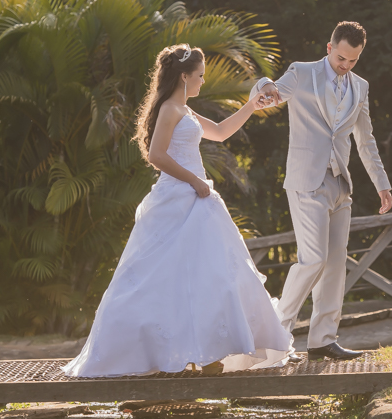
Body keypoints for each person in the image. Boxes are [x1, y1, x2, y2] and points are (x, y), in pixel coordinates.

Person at [63, 44, 291, 377]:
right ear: (183, 76)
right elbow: (156, 155)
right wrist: (194, 181)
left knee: (209, 275)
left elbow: (221, 132)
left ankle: (209, 352)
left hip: (198, 200)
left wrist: (251, 106)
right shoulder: (170, 109)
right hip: (178, 197)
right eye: (199, 76)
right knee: (166, 278)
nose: (202, 81)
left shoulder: (186, 111)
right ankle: (165, 354)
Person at [256, 21, 392, 361]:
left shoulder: (360, 87)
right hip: (306, 181)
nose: (345, 65)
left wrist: (382, 183)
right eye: (341, 58)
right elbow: (272, 90)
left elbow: (365, 139)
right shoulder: (302, 73)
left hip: (339, 184)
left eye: (353, 61)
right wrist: (265, 89)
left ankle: (322, 340)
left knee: (334, 263)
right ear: (329, 47)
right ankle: (276, 333)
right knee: (313, 258)